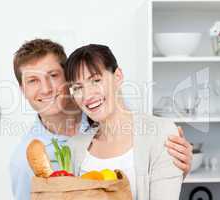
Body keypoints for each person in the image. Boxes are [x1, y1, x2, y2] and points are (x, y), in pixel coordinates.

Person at [10, 39, 193, 200]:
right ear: (22, 89)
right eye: (33, 80)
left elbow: (145, 141)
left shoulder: (108, 107)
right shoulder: (27, 160)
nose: (46, 88)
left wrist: (172, 171)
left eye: (53, 75)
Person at [65, 44, 185, 200]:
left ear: (118, 76)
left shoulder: (162, 134)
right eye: (77, 87)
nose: (87, 95)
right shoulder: (73, 148)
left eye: (96, 80)